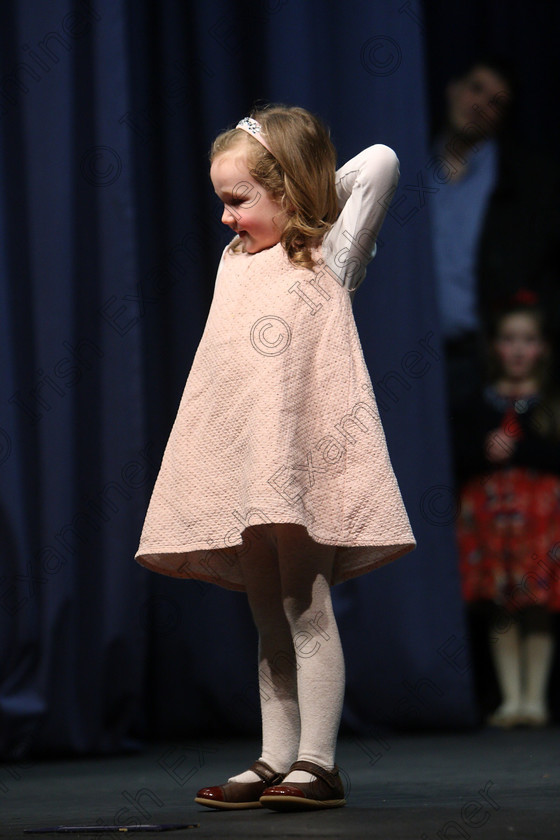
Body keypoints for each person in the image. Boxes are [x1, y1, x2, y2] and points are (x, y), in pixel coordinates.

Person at [135, 105, 416, 810]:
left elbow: (378, 159)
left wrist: (306, 185)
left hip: (302, 461)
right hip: (247, 461)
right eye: (222, 201)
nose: (227, 217)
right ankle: (274, 756)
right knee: (265, 610)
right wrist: (270, 180)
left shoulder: (330, 251)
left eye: (238, 200)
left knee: (303, 600)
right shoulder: (237, 260)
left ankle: (318, 762)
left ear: (286, 191)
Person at [430, 57, 560, 418]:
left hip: (487, 364)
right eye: (475, 89)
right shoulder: (408, 167)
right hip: (410, 352)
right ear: (452, 89)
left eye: (495, 102)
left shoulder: (528, 182)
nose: (479, 106)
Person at [455, 290, 560, 728]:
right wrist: (485, 451)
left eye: (528, 339)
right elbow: (456, 457)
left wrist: (523, 448)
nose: (518, 349)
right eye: (509, 339)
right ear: (496, 346)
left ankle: (535, 699)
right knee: (501, 604)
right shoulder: (478, 402)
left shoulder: (552, 403)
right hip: (491, 515)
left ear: (543, 348)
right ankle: (510, 698)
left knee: (537, 602)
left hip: (541, 516)